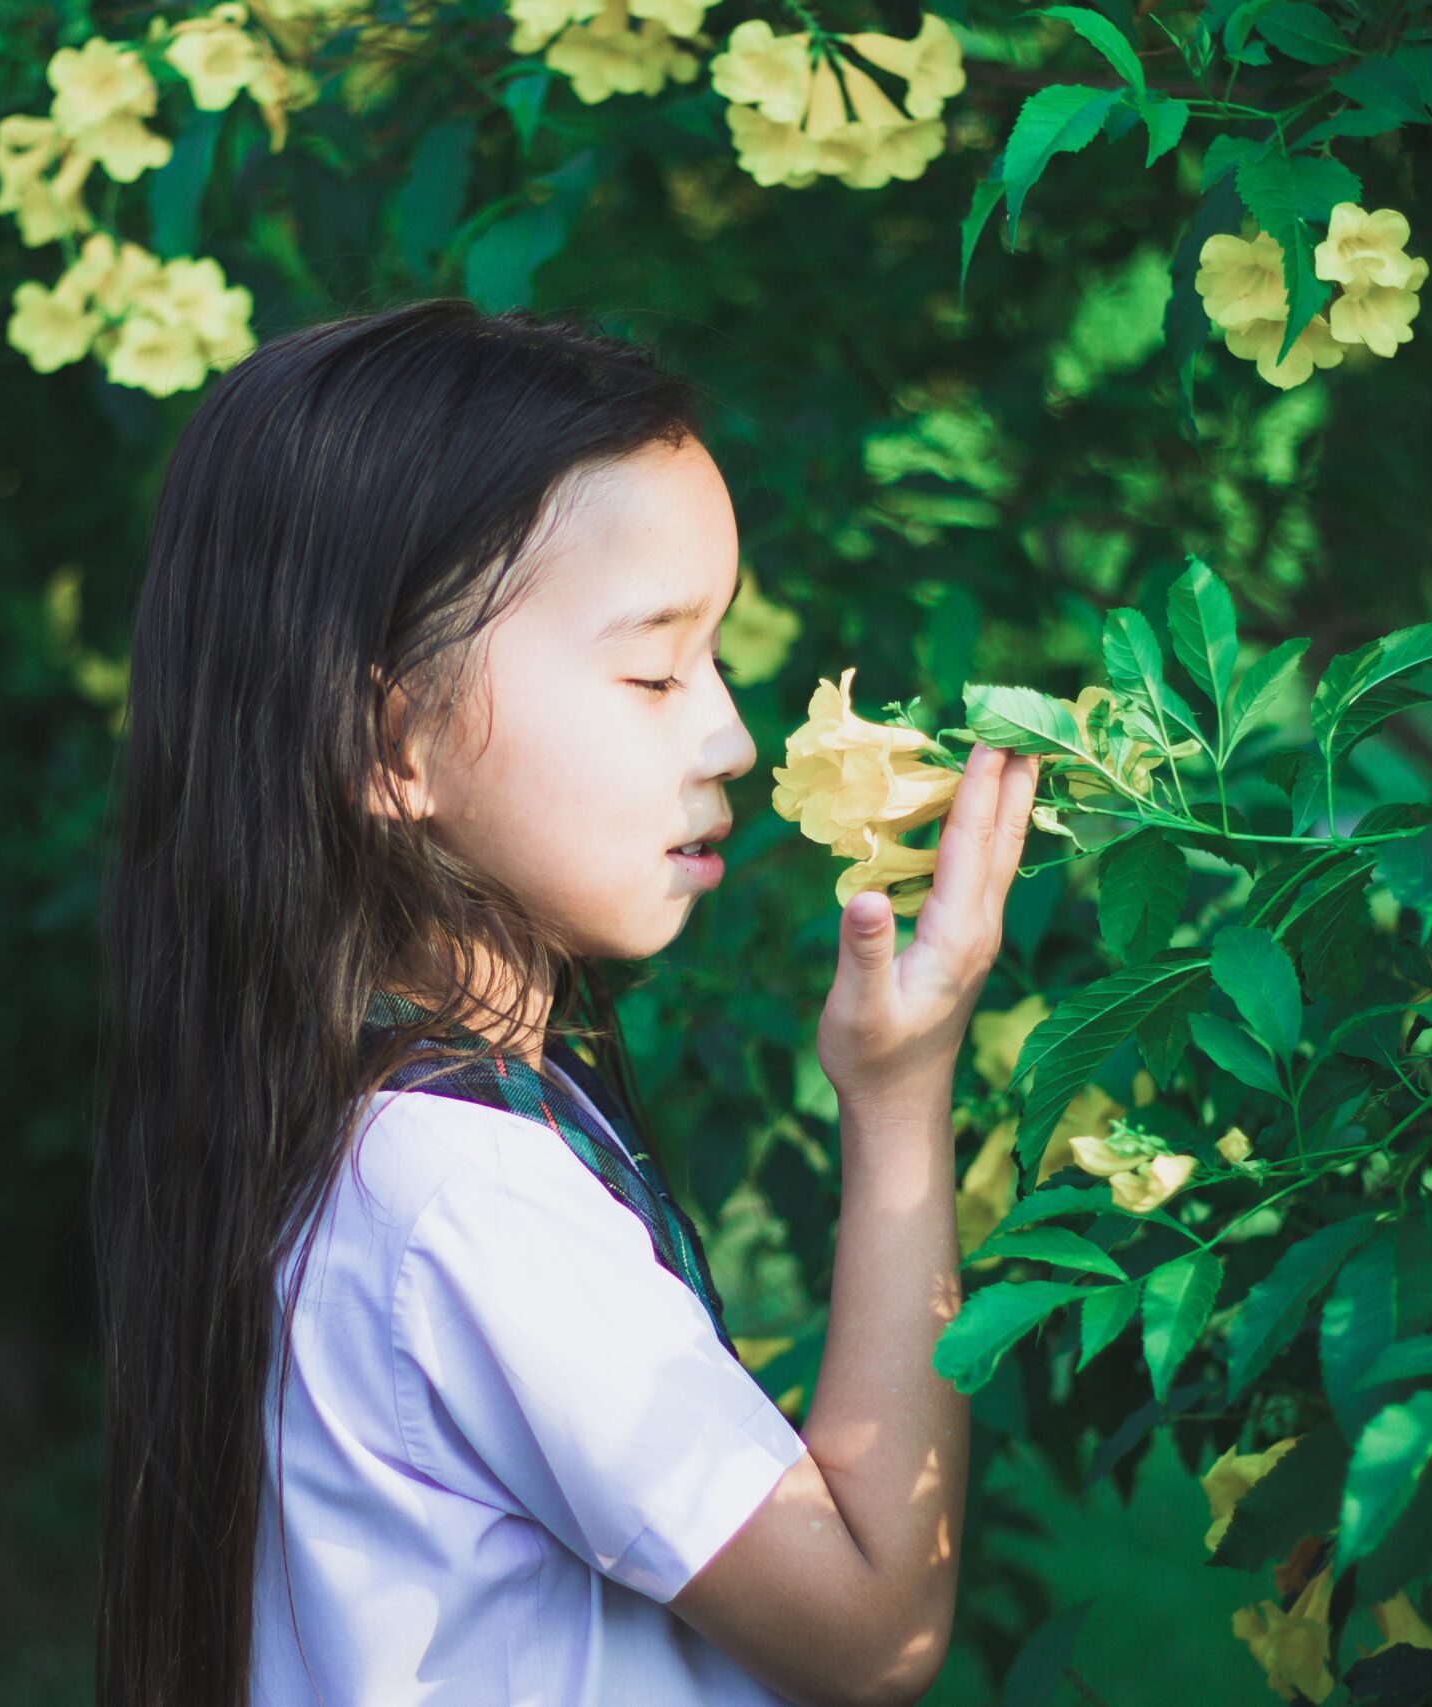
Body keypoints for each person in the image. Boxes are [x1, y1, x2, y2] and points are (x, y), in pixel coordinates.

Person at [90, 298, 1042, 1707]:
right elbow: (871, 1626)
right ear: (390, 737)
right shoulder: (466, 1198)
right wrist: (902, 1102)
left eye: (711, 659)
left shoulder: (360, 1121)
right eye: (655, 669)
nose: (728, 732)